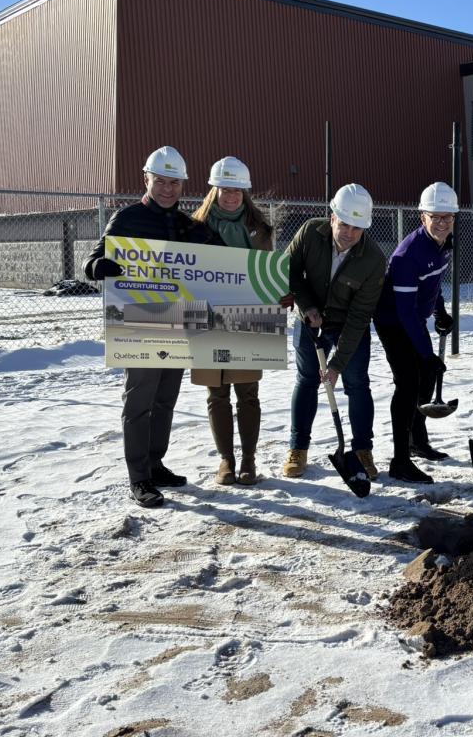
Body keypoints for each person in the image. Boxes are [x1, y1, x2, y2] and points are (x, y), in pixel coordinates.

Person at [83, 146, 210, 508]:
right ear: (147, 180)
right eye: (160, 182)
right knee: (140, 399)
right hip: (140, 321)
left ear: (183, 184)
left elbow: (222, 266)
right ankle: (139, 477)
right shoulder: (127, 219)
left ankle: (156, 465)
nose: (168, 189)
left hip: (181, 318)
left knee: (165, 398)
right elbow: (92, 260)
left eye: (174, 183)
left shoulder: (190, 227)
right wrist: (99, 268)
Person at [282, 183, 386, 480]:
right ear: (332, 218)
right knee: (306, 381)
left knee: (357, 384)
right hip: (310, 320)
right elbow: (288, 272)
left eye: (357, 228)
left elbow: (359, 316)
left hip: (347, 325)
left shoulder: (374, 260)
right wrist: (306, 307)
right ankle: (298, 447)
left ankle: (363, 449)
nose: (349, 233)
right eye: (344, 224)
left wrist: (337, 364)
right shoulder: (309, 233)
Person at [188, 156, 274, 486]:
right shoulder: (194, 228)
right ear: (214, 190)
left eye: (238, 190)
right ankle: (226, 459)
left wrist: (278, 293)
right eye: (225, 189)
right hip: (206, 317)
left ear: (245, 193)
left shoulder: (260, 229)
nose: (232, 196)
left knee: (247, 392)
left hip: (248, 317)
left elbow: (269, 273)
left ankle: (249, 459)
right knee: (217, 392)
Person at [373, 182, 457, 484]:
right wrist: (426, 353)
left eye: (448, 217)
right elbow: (406, 313)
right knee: (408, 383)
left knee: (427, 377)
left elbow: (432, 283)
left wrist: (440, 310)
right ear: (423, 217)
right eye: (436, 217)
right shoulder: (407, 256)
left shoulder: (442, 243)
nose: (443, 223)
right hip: (393, 322)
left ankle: (416, 440)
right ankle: (400, 460)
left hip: (412, 318)